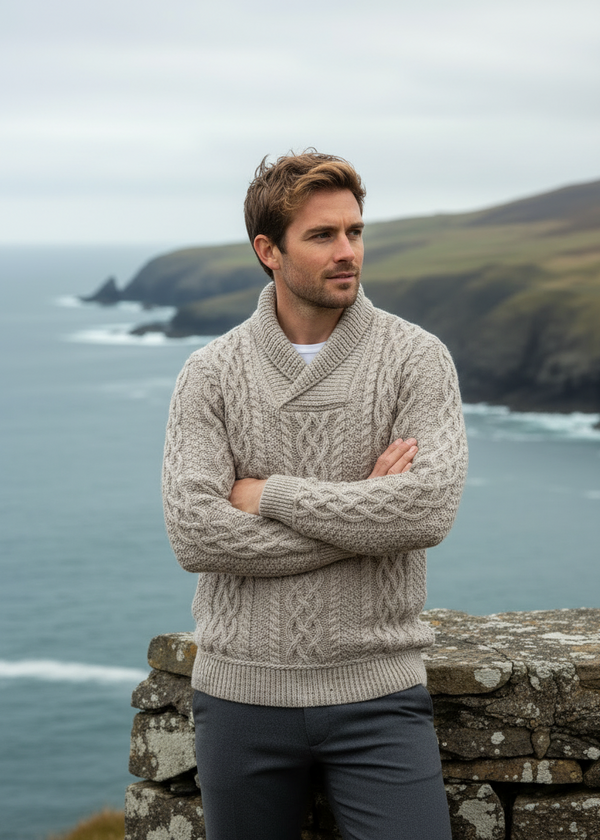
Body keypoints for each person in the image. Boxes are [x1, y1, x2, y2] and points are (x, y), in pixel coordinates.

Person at [162, 151, 468, 840]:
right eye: (322, 235)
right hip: (239, 697)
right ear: (268, 250)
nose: (347, 251)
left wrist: (271, 494)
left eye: (354, 232)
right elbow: (196, 535)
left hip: (380, 694)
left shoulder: (416, 357)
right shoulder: (210, 373)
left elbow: (426, 510)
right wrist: (365, 513)